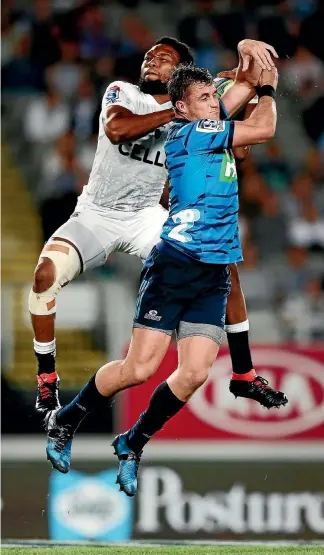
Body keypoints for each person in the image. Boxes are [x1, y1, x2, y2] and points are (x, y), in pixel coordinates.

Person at [45, 61, 287, 493]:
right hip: (176, 265)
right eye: (205, 99)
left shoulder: (209, 127)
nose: (214, 104)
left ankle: (132, 442)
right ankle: (68, 418)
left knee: (194, 374)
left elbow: (238, 111)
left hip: (211, 272)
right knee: (139, 369)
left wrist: (247, 63)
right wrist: (265, 88)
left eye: (215, 97)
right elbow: (264, 128)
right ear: (181, 108)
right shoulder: (193, 134)